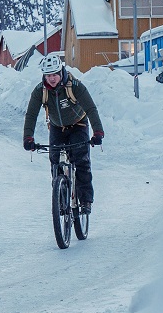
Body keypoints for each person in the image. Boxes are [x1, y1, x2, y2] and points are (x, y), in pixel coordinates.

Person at [22, 55, 104, 213]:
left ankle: (85, 200)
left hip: (78, 124)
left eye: (54, 74)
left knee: (81, 161)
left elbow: (91, 109)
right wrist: (28, 137)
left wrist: (98, 132)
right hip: (57, 127)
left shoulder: (75, 86)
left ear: (61, 72)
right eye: (48, 75)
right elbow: (31, 115)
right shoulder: (40, 91)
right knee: (55, 162)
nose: (52, 79)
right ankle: (61, 198)